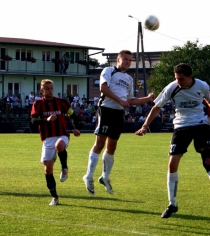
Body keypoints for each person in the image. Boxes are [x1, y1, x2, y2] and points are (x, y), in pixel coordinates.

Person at [135, 63, 210, 218]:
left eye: (181, 79)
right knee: (172, 164)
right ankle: (172, 204)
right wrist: (144, 126)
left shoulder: (202, 86)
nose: (179, 82)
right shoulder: (172, 87)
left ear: (190, 77)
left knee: (208, 158)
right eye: (176, 78)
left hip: (201, 124)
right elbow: (156, 107)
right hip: (181, 126)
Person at [82, 50, 154, 195]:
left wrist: (146, 99)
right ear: (118, 59)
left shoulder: (129, 78)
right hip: (106, 109)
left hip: (118, 113)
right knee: (100, 143)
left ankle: (105, 177)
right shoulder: (108, 70)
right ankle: (88, 175)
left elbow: (130, 100)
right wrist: (119, 100)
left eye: (129, 60)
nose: (127, 62)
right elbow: (103, 88)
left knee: (112, 146)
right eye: (125, 59)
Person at [31, 79, 81, 206]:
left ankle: (64, 167)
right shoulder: (37, 103)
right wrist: (46, 120)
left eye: (51, 88)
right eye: (47, 88)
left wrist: (76, 127)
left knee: (59, 145)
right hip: (47, 138)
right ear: (42, 91)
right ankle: (55, 197)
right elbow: (33, 121)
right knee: (48, 169)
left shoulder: (62, 103)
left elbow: (73, 115)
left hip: (62, 135)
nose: (50, 90)